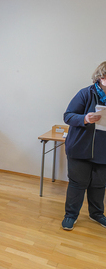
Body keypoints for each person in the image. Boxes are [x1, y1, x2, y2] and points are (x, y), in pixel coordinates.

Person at [62, 61, 106, 230]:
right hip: (80, 148)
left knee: (99, 184)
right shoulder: (85, 93)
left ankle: (97, 214)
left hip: (103, 151)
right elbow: (68, 116)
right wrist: (85, 119)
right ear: (101, 77)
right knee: (77, 184)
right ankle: (70, 215)